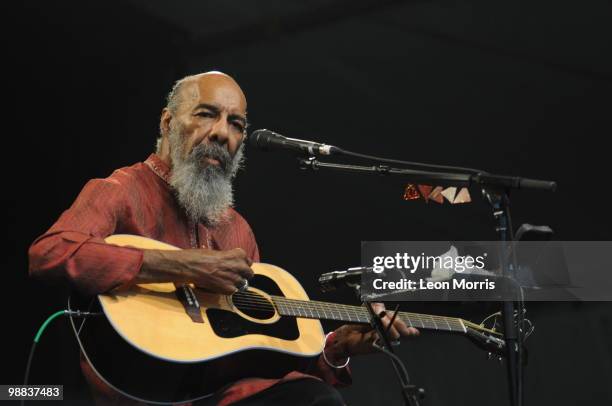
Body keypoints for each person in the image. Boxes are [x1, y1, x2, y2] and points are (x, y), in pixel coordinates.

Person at [28, 71, 419, 405]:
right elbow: (49, 253)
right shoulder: (119, 190)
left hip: (218, 395)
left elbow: (257, 352)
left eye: (236, 124)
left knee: (312, 396)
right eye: (206, 115)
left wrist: (335, 348)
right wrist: (181, 265)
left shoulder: (237, 229)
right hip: (140, 391)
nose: (221, 133)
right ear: (167, 123)